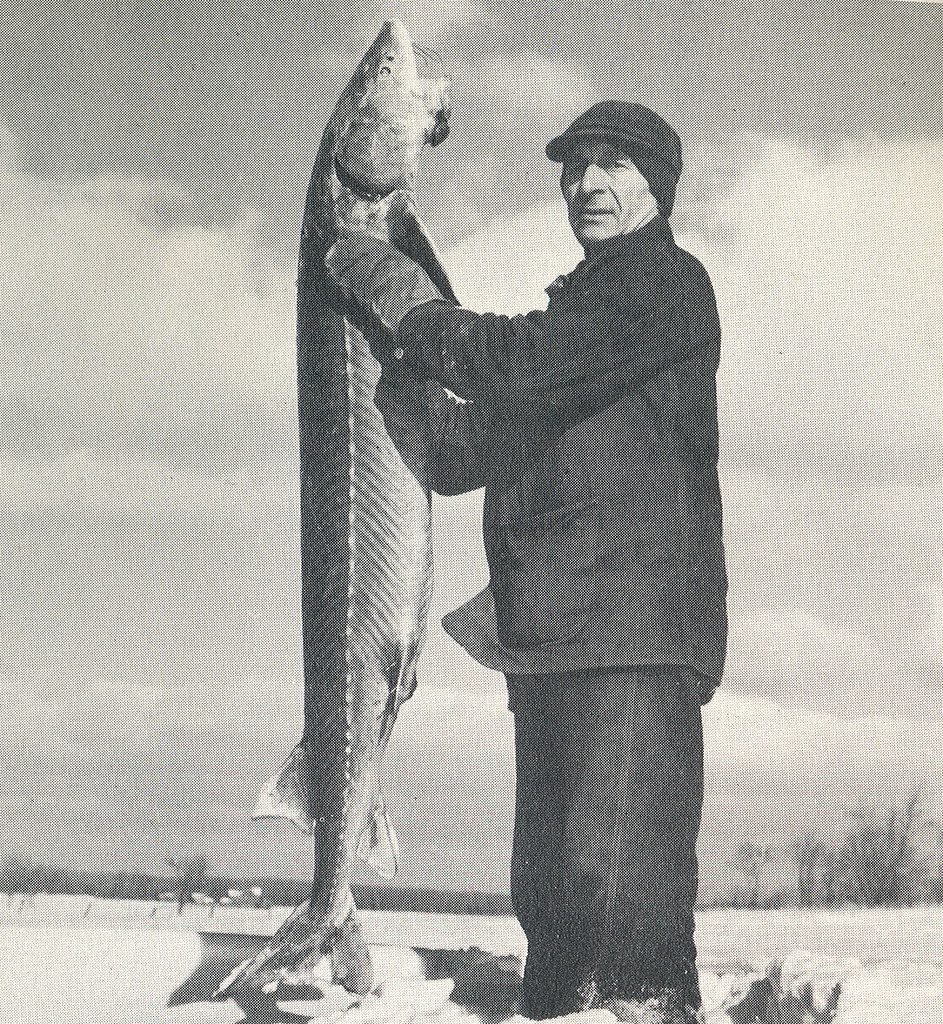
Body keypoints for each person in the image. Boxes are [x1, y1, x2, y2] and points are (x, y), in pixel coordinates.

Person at [327, 101, 727, 1024]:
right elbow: (465, 451)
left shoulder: (659, 286)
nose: (586, 184)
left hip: (628, 631)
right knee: (551, 905)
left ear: (654, 186)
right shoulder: (578, 320)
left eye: (613, 165)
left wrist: (407, 298)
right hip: (546, 633)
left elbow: (512, 366)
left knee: (623, 908)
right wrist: (376, 366)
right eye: (573, 167)